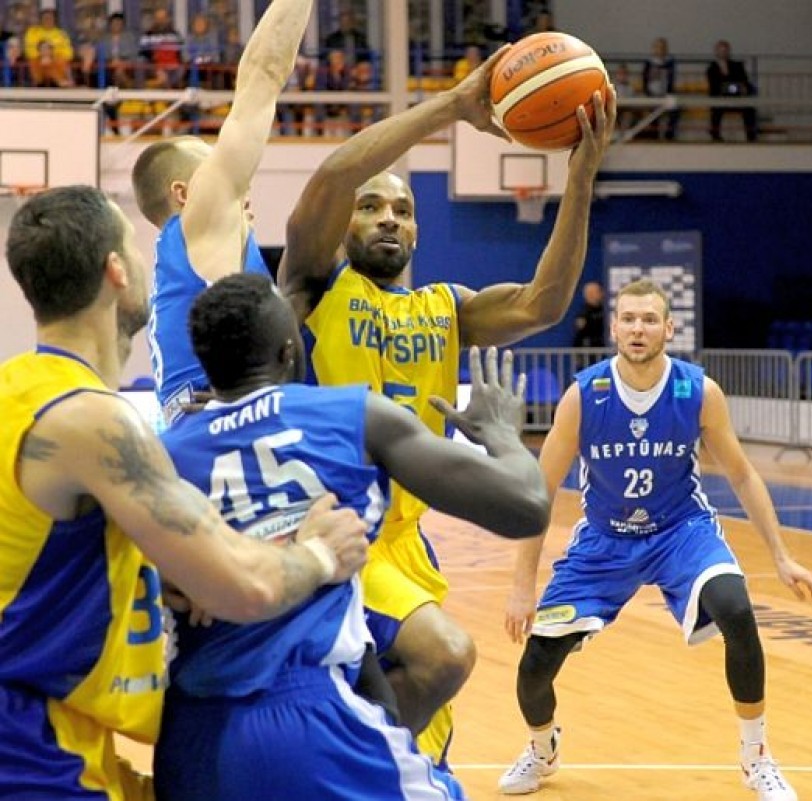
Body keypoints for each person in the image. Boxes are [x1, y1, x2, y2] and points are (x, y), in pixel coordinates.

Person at [276, 49, 615, 765]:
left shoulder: (447, 307)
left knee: (425, 732)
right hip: (331, 528)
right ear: (344, 224)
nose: (387, 219)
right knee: (442, 657)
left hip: (407, 542)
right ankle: (341, 770)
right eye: (370, 207)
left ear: (418, 232)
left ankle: (352, 765)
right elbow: (332, 178)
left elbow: (542, 303)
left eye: (402, 210)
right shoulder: (315, 286)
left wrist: (580, 178)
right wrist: (454, 106)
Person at [0, 185, 367, 798]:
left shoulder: (19, 392)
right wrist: (321, 553)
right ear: (116, 270)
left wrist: (150, 577)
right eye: (135, 247)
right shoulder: (92, 421)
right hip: (32, 759)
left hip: (54, 739)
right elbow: (246, 586)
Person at [153, 273, 550, 800]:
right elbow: (526, 507)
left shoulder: (162, 456)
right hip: (310, 713)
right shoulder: (349, 417)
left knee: (417, 659)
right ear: (290, 351)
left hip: (189, 737)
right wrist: (502, 435)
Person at [497, 279, 812, 799]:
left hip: (681, 532)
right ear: (614, 328)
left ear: (669, 328)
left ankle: (757, 757)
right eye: (629, 319)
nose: (638, 328)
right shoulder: (584, 396)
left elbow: (742, 474)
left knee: (736, 610)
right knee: (535, 668)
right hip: (605, 542)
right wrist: (522, 585)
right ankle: (543, 750)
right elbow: (537, 493)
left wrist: (782, 556)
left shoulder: (698, 391)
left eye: (649, 319)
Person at [132, 0, 314, 422]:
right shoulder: (198, 221)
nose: (235, 180)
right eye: (210, 166)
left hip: (197, 427)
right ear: (184, 193)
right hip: (220, 426)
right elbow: (263, 76)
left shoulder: (180, 258)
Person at [706, 39, 758, 142]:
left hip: (737, 99)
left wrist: (740, 88)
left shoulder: (737, 65)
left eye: (725, 50)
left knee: (749, 109)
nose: (723, 53)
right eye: (721, 50)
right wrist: (730, 87)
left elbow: (744, 81)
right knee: (716, 111)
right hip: (720, 99)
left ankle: (751, 136)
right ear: (716, 52)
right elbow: (714, 86)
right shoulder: (711, 68)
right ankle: (715, 135)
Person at [642, 36, 680, 140]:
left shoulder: (670, 63)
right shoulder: (648, 63)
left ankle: (669, 135)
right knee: (653, 111)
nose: (660, 50)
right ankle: (654, 135)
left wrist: (668, 93)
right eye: (658, 47)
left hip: (666, 94)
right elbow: (645, 81)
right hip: (652, 95)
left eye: (662, 47)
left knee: (675, 109)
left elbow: (671, 80)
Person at [572, 280, 605, 347]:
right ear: (591, 294)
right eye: (599, 291)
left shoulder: (606, 311)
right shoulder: (583, 314)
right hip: (587, 349)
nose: (603, 294)